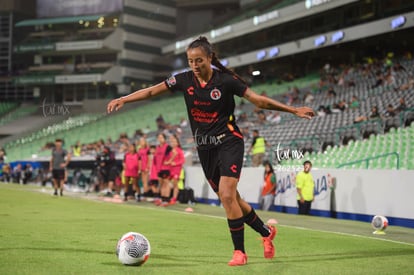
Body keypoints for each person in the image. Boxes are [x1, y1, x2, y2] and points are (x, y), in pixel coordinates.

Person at [107, 36, 315, 266]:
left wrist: (293, 109)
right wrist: (124, 99)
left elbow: (259, 101)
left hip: (229, 141)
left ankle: (240, 253)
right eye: (190, 61)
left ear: (209, 58)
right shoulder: (184, 80)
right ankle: (266, 232)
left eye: (199, 61)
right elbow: (151, 92)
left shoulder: (226, 80)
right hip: (205, 148)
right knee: (232, 199)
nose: (195, 66)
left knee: (227, 195)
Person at [164, 134, 185, 205]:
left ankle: (174, 198)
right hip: (170, 169)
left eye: (175, 142)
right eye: (172, 142)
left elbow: (182, 160)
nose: (173, 143)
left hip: (176, 170)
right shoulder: (170, 151)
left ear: (178, 143)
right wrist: (167, 162)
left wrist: (175, 163)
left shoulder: (179, 151)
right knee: (168, 184)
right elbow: (168, 159)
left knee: (175, 184)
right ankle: (167, 198)